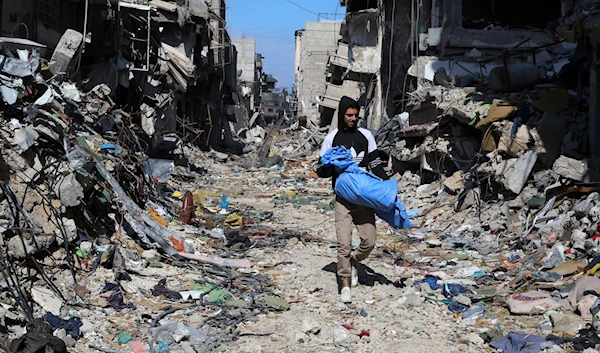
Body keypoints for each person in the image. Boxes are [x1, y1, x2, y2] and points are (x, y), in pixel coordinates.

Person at [316, 96, 388, 303]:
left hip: (364, 198)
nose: (353, 118)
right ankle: (345, 285)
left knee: (369, 241)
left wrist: (386, 186)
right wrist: (331, 165)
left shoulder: (366, 136)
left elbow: (375, 163)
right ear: (342, 115)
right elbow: (321, 168)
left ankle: (353, 262)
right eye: (349, 115)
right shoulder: (332, 138)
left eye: (356, 115)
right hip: (343, 199)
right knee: (344, 243)